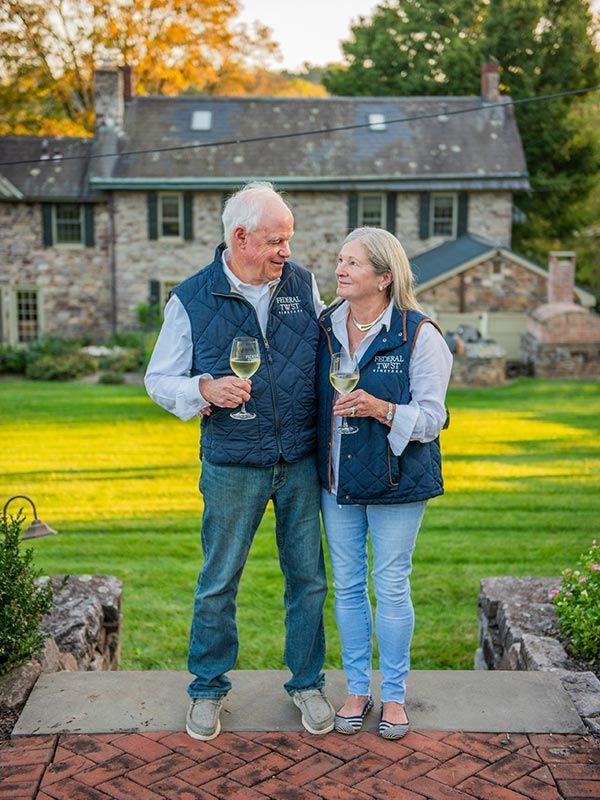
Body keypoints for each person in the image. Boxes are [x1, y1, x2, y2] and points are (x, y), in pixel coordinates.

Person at [145, 182, 334, 741]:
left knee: (309, 580)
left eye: (289, 240)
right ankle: (207, 689)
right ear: (241, 237)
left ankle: (306, 683)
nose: (286, 252)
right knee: (218, 580)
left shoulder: (301, 284)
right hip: (231, 463)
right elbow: (158, 379)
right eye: (276, 241)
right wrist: (204, 388)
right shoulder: (190, 298)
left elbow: (332, 346)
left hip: (299, 458)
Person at [316, 227, 452, 739]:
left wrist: (380, 408)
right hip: (337, 481)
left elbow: (432, 420)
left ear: (384, 277)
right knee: (348, 588)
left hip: (398, 481)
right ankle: (356, 689)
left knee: (391, 587)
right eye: (339, 260)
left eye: (352, 263)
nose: (340, 270)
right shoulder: (325, 325)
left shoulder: (420, 335)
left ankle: (393, 695)